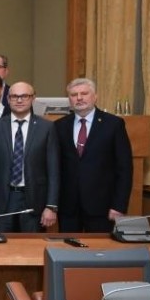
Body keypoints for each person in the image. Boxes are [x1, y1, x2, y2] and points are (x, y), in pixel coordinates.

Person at [54, 77, 132, 233]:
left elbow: (124, 168)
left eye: (84, 93)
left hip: (102, 206)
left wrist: (119, 205)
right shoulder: (60, 126)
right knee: (68, 247)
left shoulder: (113, 124)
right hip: (68, 207)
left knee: (100, 247)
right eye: (74, 95)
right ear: (69, 99)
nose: (79, 98)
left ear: (95, 96)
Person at [0, 81, 59, 232]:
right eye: (14, 96)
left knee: (32, 245)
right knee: (0, 244)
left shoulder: (47, 127)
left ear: (33, 98)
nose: (19, 100)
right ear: (8, 99)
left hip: (34, 200)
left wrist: (51, 206)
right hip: (2, 201)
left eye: (24, 96)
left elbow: (53, 169)